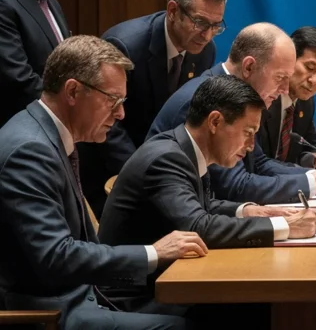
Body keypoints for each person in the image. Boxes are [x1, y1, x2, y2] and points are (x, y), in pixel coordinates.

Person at [0, 36, 206, 329]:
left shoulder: (47, 136)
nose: (120, 113)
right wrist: (154, 253)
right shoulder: (30, 150)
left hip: (83, 294)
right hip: (48, 311)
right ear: (73, 91)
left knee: (203, 306)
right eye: (113, 100)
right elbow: (56, 257)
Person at [100, 76, 316, 305]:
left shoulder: (185, 148)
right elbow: (197, 226)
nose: (250, 146)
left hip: (165, 282)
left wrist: (247, 211)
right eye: (248, 132)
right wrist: (285, 226)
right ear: (215, 122)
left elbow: (200, 206)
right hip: (134, 298)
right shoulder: (167, 158)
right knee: (256, 306)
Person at [147, 23, 316, 203]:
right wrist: (313, 183)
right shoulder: (207, 101)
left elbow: (258, 164)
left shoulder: (238, 99)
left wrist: (312, 176)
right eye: (280, 78)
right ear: (249, 67)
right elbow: (234, 185)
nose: (284, 90)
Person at [78, 0, 226, 216]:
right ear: (173, 11)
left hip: (160, 168)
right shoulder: (125, 45)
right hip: (111, 169)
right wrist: (143, 169)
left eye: (215, 26)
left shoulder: (205, 51)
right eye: (200, 23)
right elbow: (105, 117)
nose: (207, 35)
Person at [259, 26, 316, 167]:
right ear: (290, 59)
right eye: (310, 68)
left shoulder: (306, 103)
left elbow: (313, 145)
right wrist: (310, 177)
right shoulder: (263, 96)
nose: (314, 80)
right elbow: (258, 163)